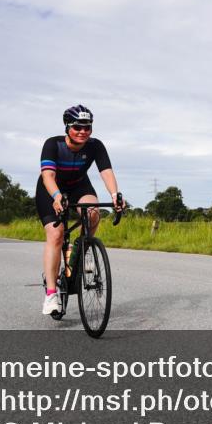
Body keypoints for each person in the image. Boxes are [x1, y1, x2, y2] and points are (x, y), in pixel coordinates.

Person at [36, 105, 124, 316]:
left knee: (93, 213)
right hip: (51, 188)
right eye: (77, 127)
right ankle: (51, 294)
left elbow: (106, 172)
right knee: (56, 235)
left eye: (87, 127)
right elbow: (48, 176)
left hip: (79, 186)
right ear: (67, 127)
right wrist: (57, 197)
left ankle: (80, 252)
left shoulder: (95, 146)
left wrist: (114, 195)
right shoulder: (53, 144)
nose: (83, 131)